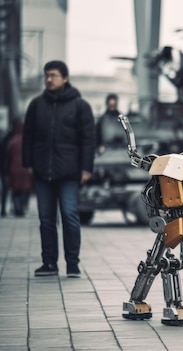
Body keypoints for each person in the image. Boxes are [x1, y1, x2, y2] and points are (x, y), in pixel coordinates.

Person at [22, 60, 95, 278]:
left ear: (65, 78)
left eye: (53, 75)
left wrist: (86, 168)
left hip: (70, 172)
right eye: (46, 75)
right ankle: (49, 264)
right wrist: (28, 163)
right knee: (45, 219)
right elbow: (28, 136)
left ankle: (72, 263)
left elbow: (88, 140)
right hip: (42, 171)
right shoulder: (36, 105)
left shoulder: (80, 106)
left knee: (70, 215)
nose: (49, 79)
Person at [5, 119, 32, 216]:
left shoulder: (12, 142)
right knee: (25, 190)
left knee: (16, 190)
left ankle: (18, 208)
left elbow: (8, 158)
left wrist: (7, 172)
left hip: (14, 169)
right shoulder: (28, 141)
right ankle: (22, 207)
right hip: (26, 170)